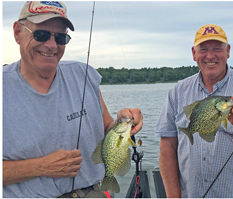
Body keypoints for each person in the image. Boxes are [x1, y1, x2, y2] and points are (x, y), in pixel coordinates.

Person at [3, 1, 143, 198]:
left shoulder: (84, 75)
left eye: (61, 37)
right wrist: (40, 167)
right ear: (18, 32)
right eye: (41, 34)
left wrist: (122, 122)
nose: (51, 45)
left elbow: (106, 128)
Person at [155, 24, 233, 198]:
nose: (210, 56)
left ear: (228, 51)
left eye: (217, 49)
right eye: (203, 49)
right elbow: (167, 147)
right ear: (194, 54)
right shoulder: (177, 92)